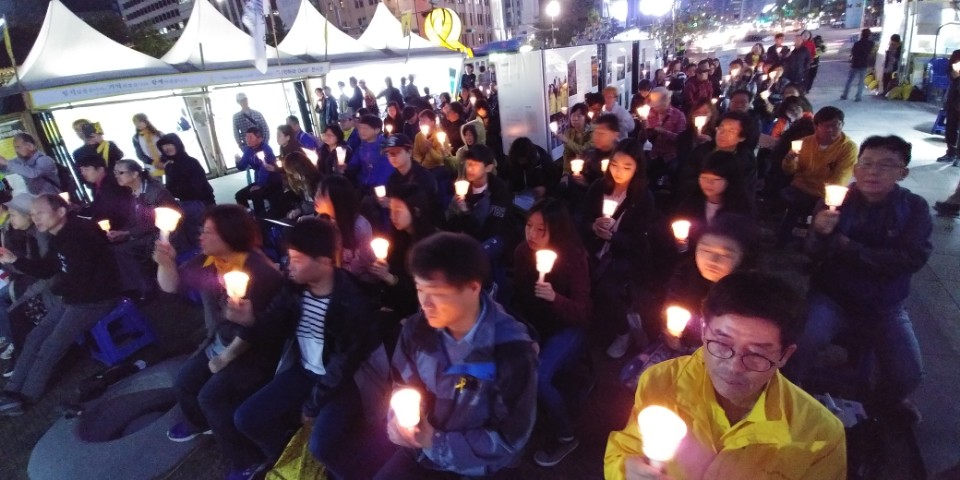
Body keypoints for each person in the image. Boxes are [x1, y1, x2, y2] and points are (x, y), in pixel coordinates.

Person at [604, 271, 846, 480]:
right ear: (704, 331)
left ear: (784, 355)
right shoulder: (662, 381)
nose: (733, 366)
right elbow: (626, 449)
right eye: (721, 344)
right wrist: (626, 471)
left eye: (756, 354)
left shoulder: (819, 435)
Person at [790, 135, 932, 424]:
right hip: (832, 298)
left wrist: (847, 246)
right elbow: (812, 254)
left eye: (885, 165)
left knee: (909, 374)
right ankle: (790, 396)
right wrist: (817, 231)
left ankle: (882, 405)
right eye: (866, 163)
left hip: (885, 306)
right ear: (855, 169)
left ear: (903, 172)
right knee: (799, 344)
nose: (873, 171)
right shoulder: (836, 200)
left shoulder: (914, 208)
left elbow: (910, 259)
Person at [374, 232, 538, 479]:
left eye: (437, 292)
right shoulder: (416, 330)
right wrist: (399, 420)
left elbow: (510, 437)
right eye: (420, 289)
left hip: (477, 466)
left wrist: (436, 442)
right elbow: (401, 384)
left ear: (473, 287)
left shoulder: (511, 351)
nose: (425, 304)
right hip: (422, 450)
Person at [234, 218, 384, 479]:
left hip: (344, 385)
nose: (289, 265)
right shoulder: (294, 289)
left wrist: (312, 405)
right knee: (247, 418)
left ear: (325, 262)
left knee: (321, 445)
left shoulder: (351, 302)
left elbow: (342, 365)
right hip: (304, 372)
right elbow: (271, 323)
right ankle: (291, 463)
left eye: (297, 259)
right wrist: (248, 322)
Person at [154, 204, 284, 480]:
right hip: (219, 341)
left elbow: (259, 330)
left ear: (230, 235)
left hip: (255, 349)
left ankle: (248, 460)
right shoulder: (207, 262)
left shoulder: (260, 271)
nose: (200, 236)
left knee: (211, 396)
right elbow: (170, 286)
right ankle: (202, 424)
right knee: (184, 382)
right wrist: (166, 264)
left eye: (208, 232)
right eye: (202, 230)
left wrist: (226, 358)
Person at [0, 194, 120, 415]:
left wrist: (58, 293)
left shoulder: (80, 234)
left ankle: (25, 397)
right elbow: (48, 269)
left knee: (51, 344)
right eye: (33, 214)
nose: (36, 218)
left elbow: (83, 278)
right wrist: (14, 260)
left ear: (61, 212)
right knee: (34, 337)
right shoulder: (58, 235)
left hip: (95, 299)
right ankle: (10, 391)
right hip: (75, 299)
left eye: (41, 213)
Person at [511, 199, 592, 467]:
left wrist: (554, 298)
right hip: (535, 326)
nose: (531, 235)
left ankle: (566, 436)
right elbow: (518, 299)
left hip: (568, 329)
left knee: (539, 377)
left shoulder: (574, 257)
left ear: (555, 231)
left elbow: (583, 313)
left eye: (540, 229)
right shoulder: (523, 252)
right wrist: (525, 334)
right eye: (528, 226)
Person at [581, 139, 655, 359]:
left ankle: (624, 331)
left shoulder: (642, 198)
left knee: (608, 290)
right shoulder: (598, 188)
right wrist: (593, 226)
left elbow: (640, 238)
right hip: (594, 248)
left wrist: (614, 236)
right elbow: (581, 218)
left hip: (625, 255)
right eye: (614, 164)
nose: (618, 171)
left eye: (627, 167)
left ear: (637, 168)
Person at [777, 107, 858, 247]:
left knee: (821, 208)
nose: (831, 130)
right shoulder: (805, 142)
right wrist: (789, 160)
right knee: (792, 203)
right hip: (801, 187)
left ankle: (812, 245)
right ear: (816, 126)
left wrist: (824, 196)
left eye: (836, 125)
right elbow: (790, 170)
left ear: (842, 125)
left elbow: (841, 178)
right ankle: (783, 239)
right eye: (826, 126)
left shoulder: (848, 148)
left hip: (825, 193)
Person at [369, 183, 438, 322]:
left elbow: (420, 291)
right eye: (391, 210)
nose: (392, 216)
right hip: (397, 305)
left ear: (416, 211)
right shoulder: (399, 237)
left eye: (398, 210)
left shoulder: (430, 245)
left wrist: (390, 278)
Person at [110, 159, 178, 297]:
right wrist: (122, 232)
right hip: (148, 232)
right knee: (114, 245)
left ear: (135, 174)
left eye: (120, 172)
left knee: (121, 250)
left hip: (163, 235)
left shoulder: (155, 193)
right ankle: (140, 284)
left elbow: (155, 223)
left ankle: (145, 288)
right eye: (115, 172)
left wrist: (128, 233)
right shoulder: (135, 192)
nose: (117, 176)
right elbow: (134, 219)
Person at [445, 145, 513, 271]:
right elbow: (449, 221)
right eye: (468, 164)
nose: (469, 169)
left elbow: (492, 229)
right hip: (466, 238)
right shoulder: (463, 188)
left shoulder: (499, 190)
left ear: (488, 167)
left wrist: (466, 213)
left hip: (491, 240)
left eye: (475, 165)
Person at [0, 193, 46, 364]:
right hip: (21, 278)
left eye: (13, 215)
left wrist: (11, 261)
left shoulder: (33, 235)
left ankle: (22, 348)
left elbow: (38, 269)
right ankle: (17, 344)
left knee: (12, 307)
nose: (11, 218)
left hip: (32, 283)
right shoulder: (22, 231)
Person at [156, 133, 215, 250]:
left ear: (177, 144)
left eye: (169, 144)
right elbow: (170, 188)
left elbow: (196, 188)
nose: (167, 148)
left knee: (191, 223)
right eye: (164, 146)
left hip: (200, 201)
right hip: (185, 201)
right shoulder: (169, 166)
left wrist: (176, 192)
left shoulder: (191, 162)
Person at [313, 175, 377, 281]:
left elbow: (361, 266)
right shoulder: (321, 220)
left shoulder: (360, 227)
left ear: (337, 199)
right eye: (317, 193)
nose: (315, 197)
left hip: (356, 281)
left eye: (321, 195)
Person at [383, 134, 440, 220]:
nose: (392, 157)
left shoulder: (424, 177)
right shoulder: (392, 179)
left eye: (397, 152)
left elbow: (427, 209)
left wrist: (394, 204)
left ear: (409, 152)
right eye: (389, 153)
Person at [75, 154, 134, 235]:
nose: (83, 173)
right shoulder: (96, 185)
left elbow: (108, 212)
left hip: (123, 227)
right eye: (81, 170)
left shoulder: (113, 185)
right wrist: (79, 210)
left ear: (100, 169)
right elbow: (97, 207)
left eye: (86, 169)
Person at [642, 87, 687, 189]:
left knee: (673, 171)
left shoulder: (679, 115)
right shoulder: (651, 113)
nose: (654, 108)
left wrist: (664, 132)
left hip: (671, 155)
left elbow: (681, 139)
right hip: (655, 152)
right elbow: (645, 139)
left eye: (657, 105)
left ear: (666, 102)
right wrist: (645, 129)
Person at [234, 126, 282, 218]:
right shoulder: (248, 150)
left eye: (250, 137)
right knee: (239, 196)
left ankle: (261, 219)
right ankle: (248, 217)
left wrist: (259, 185)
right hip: (259, 180)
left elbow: (265, 170)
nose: (247, 140)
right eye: (246, 137)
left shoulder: (266, 149)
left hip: (271, 181)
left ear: (259, 139)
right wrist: (237, 162)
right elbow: (242, 166)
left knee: (255, 194)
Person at [344, 115, 394, 195]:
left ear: (377, 130)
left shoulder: (385, 148)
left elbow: (386, 172)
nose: (361, 131)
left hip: (380, 189)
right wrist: (345, 167)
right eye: (360, 128)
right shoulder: (362, 146)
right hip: (364, 186)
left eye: (365, 128)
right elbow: (354, 163)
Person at [280, 151, 321, 222]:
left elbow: (325, 210)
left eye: (293, 173)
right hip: (304, 214)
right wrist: (298, 210)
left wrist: (310, 217)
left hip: (317, 218)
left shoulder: (319, 183)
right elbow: (304, 202)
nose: (293, 176)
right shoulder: (300, 182)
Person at [936, 49, 960, 164]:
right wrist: (955, 73)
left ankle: (958, 156)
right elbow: (952, 76)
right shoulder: (957, 54)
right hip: (955, 97)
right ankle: (951, 152)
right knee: (951, 126)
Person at [556, 103, 592, 174]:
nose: (575, 119)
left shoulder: (592, 132)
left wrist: (567, 141)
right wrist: (565, 173)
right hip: (572, 168)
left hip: (589, 169)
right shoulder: (569, 132)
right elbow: (567, 154)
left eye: (579, 116)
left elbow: (584, 151)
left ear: (586, 117)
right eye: (573, 115)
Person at [841, 29, 876, 102]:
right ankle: (858, 96)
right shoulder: (871, 43)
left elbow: (853, 52)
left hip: (855, 63)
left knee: (850, 80)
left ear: (862, 34)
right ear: (869, 35)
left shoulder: (857, 43)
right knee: (861, 81)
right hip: (864, 63)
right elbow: (871, 52)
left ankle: (845, 94)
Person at [131, 113, 165, 178]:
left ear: (145, 121)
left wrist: (163, 160)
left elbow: (166, 149)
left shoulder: (159, 134)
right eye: (135, 122)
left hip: (165, 162)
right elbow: (140, 154)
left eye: (139, 121)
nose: (137, 124)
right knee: (157, 185)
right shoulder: (136, 138)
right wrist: (154, 163)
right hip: (151, 166)